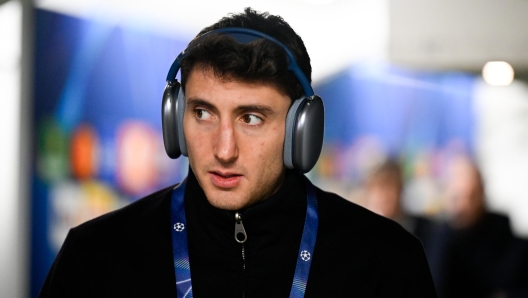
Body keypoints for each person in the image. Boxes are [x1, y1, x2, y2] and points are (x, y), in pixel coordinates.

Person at [40, 8, 436, 297]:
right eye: (203, 113)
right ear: (175, 117)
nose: (223, 150)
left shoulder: (384, 261)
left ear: (302, 129)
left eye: (251, 118)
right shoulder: (97, 257)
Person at [432, 155, 528, 298]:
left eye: (471, 196)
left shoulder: (503, 236)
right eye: (457, 198)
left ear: (482, 194)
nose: (464, 205)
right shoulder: (441, 238)